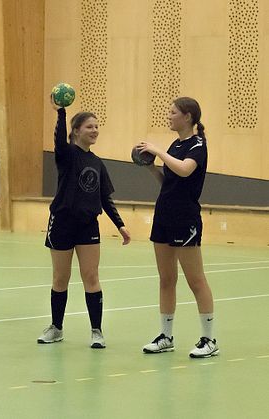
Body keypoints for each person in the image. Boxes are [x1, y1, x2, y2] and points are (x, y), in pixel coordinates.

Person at [37, 97, 131, 349]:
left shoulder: (97, 163)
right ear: (76, 130)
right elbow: (58, 140)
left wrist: (120, 225)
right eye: (90, 126)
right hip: (62, 222)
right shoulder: (67, 155)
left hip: (88, 224)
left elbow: (104, 197)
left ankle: (96, 331)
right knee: (60, 277)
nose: (95, 130)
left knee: (91, 276)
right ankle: (56, 327)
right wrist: (60, 113)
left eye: (97, 126)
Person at [135, 97, 219, 358]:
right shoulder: (175, 144)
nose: (168, 116)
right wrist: (150, 167)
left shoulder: (197, 145)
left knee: (195, 279)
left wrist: (158, 152)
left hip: (185, 218)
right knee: (166, 279)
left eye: (173, 112)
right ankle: (166, 336)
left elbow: (184, 170)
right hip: (164, 215)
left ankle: (209, 339)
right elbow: (168, 180)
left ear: (188, 117)